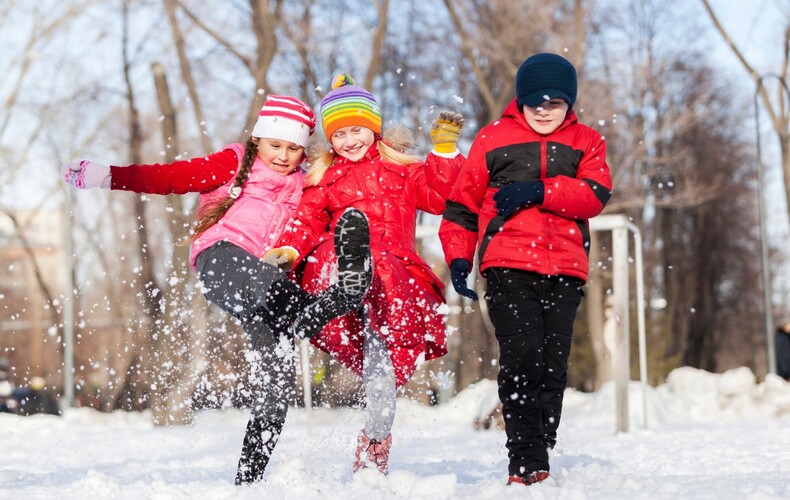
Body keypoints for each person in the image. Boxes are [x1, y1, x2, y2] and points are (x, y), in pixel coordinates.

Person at [61, 94, 373, 484]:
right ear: (259, 140)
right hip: (222, 258)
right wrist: (109, 175)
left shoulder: (305, 181)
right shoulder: (235, 162)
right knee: (266, 284)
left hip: (271, 285)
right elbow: (171, 177)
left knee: (277, 388)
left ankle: (248, 481)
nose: (283, 156)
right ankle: (319, 309)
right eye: (276, 145)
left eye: (294, 148)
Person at [264, 74, 465, 474]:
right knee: (331, 248)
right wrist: (288, 249)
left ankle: (374, 445)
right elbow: (305, 223)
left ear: (373, 128)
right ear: (330, 140)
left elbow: (442, 197)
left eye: (357, 130)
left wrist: (444, 151)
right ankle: (347, 275)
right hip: (342, 279)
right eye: (339, 135)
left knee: (382, 382)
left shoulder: (404, 171)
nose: (349, 140)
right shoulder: (324, 180)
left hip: (391, 283)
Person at [439, 53, 613, 486]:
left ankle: (541, 443)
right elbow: (461, 206)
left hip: (566, 268)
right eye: (534, 100)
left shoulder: (587, 141)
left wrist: (540, 190)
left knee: (554, 365)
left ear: (569, 103)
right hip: (507, 264)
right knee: (523, 358)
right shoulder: (493, 138)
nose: (542, 108)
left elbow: (594, 193)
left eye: (553, 102)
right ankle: (526, 460)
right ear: (521, 99)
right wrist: (459, 257)